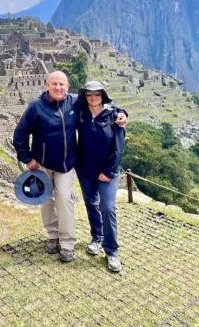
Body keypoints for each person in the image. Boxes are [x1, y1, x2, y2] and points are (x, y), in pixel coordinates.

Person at [13, 71, 126, 263]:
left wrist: (123, 113)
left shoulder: (75, 102)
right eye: (54, 84)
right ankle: (53, 237)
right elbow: (20, 134)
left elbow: (102, 103)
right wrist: (28, 159)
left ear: (68, 87)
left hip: (66, 165)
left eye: (62, 85)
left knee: (65, 202)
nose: (58, 88)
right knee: (47, 202)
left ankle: (67, 244)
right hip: (42, 164)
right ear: (47, 84)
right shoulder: (36, 107)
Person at [76, 80, 126, 272]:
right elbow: (62, 98)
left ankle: (112, 251)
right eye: (89, 94)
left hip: (108, 171)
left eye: (97, 94)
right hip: (86, 169)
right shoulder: (81, 113)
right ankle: (97, 237)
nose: (93, 97)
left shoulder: (113, 115)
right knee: (91, 204)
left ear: (103, 95)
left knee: (107, 207)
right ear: (85, 96)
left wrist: (109, 171)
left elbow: (119, 147)